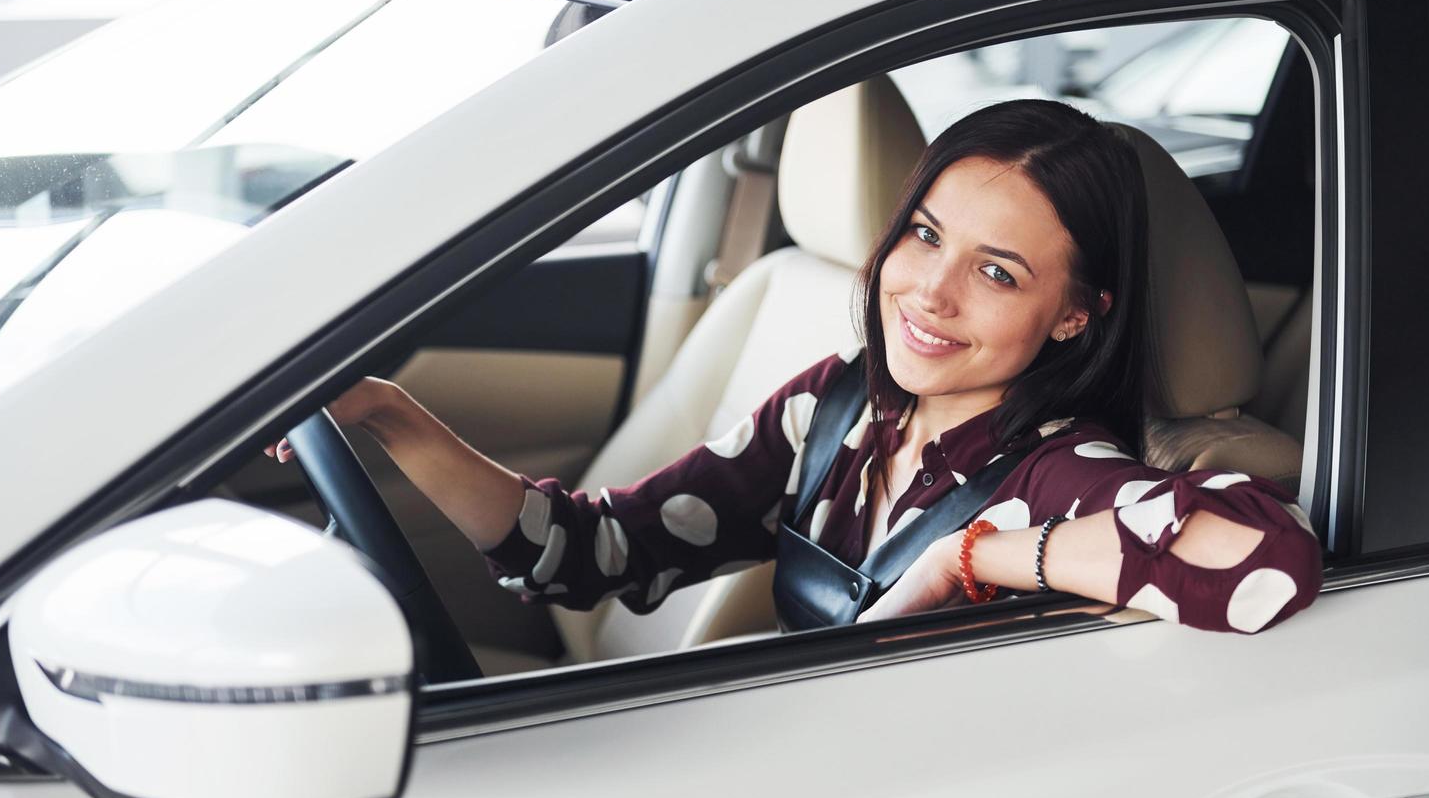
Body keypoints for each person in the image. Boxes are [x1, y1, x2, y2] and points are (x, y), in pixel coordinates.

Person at [270, 99, 1321, 635]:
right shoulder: (837, 403)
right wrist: (390, 414)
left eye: (997, 272)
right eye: (922, 234)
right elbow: (590, 551)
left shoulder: (1056, 469)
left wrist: (974, 559)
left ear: (1073, 317)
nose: (929, 291)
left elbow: (1265, 561)